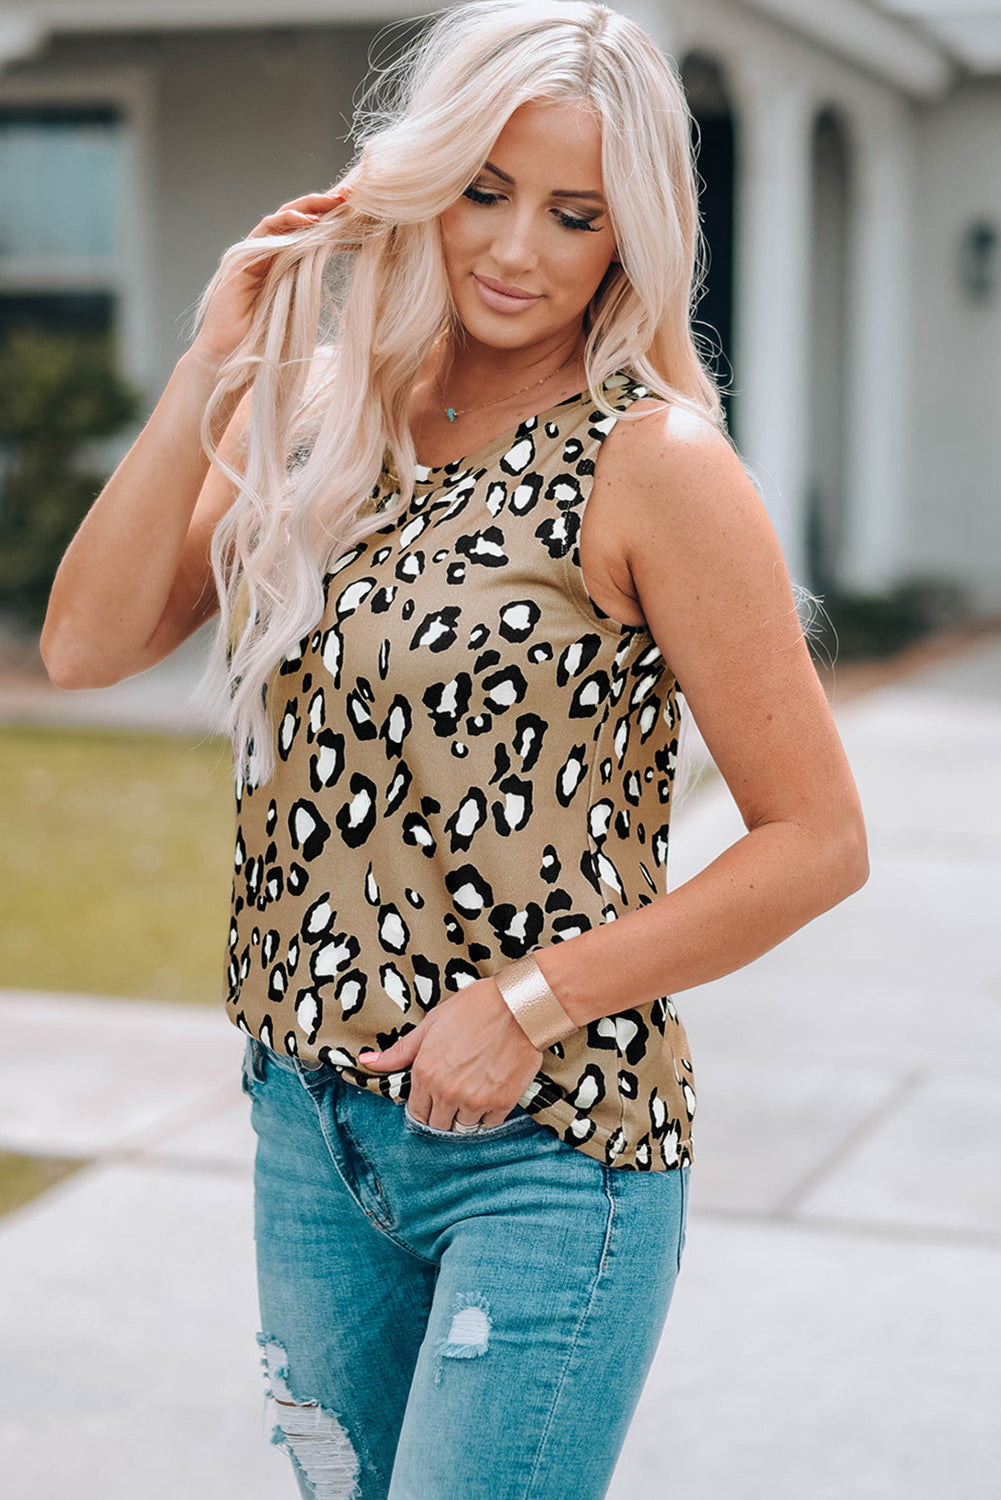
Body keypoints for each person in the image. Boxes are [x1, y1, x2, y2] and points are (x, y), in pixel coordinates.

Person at [40, 2, 869, 1495]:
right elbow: (85, 647)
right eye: (483, 189)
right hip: (308, 1131)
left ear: (632, 240)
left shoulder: (652, 463)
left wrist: (529, 1004)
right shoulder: (336, 429)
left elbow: (816, 841)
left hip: (546, 1154)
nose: (515, 249)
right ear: (417, 183)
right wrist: (211, 364)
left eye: (574, 214)